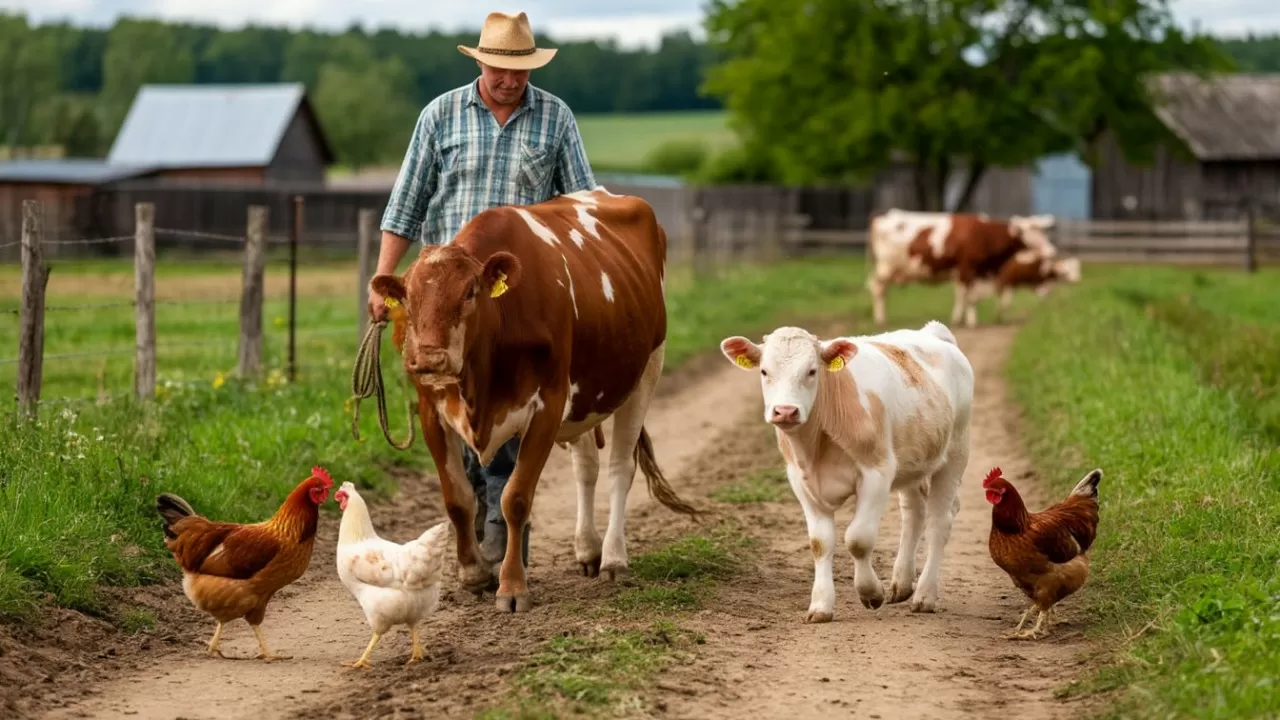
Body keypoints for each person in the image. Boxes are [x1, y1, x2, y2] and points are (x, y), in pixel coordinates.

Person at [367, 10, 597, 574]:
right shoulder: (440, 116)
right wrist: (383, 280)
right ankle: (473, 497)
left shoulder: (555, 117)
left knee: (514, 396)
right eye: (500, 69)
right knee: (447, 399)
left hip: (512, 288)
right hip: (440, 294)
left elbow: (579, 204)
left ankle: (501, 508)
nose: (510, 81)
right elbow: (405, 206)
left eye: (520, 72)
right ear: (482, 62)